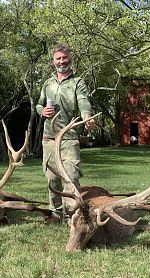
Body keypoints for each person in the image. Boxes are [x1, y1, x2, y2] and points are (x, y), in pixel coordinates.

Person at [36, 44, 95, 220]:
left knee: (70, 177)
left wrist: (88, 118)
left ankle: (73, 216)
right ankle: (55, 214)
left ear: (70, 58)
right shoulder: (48, 83)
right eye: (58, 58)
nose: (62, 61)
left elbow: (83, 102)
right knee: (52, 178)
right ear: (53, 61)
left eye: (64, 58)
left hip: (69, 138)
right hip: (49, 138)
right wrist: (41, 111)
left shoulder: (78, 82)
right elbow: (39, 104)